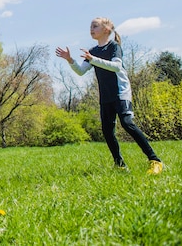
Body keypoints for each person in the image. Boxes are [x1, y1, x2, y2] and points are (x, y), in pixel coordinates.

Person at [55, 17, 163, 175]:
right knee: (107, 130)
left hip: (121, 93)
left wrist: (93, 59)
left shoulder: (114, 47)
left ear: (106, 30)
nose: (91, 29)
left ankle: (155, 161)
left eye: (95, 26)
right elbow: (80, 71)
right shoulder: (92, 52)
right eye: (90, 26)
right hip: (105, 96)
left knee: (127, 123)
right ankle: (119, 165)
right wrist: (70, 59)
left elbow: (116, 66)